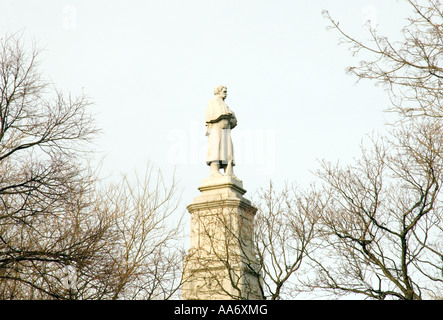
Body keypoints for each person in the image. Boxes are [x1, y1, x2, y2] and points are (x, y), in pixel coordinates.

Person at [205, 85, 237, 178]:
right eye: (224, 91)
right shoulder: (213, 101)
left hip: (225, 130)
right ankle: (214, 171)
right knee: (216, 148)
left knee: (227, 150)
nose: (226, 94)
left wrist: (231, 116)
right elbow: (211, 115)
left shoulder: (225, 104)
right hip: (216, 128)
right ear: (219, 91)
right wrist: (223, 114)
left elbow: (233, 120)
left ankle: (229, 171)